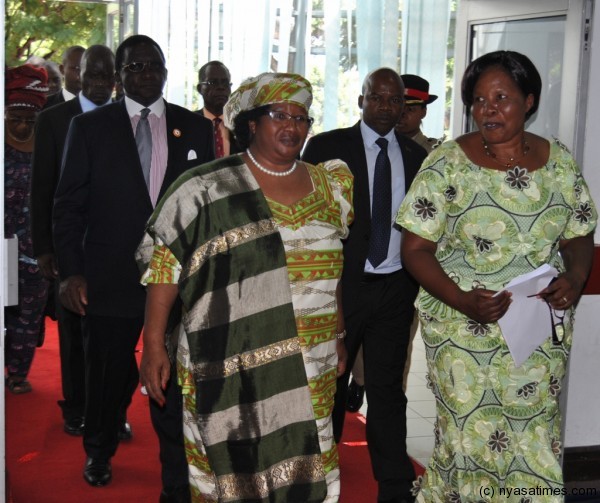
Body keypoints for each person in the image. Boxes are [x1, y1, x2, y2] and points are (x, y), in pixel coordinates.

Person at [137, 72, 352, 502]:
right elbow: (165, 267)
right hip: (230, 362)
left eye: (301, 117)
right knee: (232, 467)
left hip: (314, 359)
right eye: (279, 115)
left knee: (309, 458)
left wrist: (340, 334)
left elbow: (335, 273)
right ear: (251, 123)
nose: (292, 126)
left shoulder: (331, 186)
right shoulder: (204, 188)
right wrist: (154, 343)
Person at [396, 50, 597, 502]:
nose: (488, 109)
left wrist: (578, 275)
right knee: (470, 439)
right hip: (465, 328)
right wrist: (464, 299)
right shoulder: (446, 164)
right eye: (479, 99)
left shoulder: (559, 162)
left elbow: (579, 232)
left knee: (533, 437)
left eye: (502, 98)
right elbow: (415, 250)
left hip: (537, 332)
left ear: (529, 101)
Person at [52, 34, 215, 490]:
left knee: (176, 383)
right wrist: (71, 271)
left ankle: (174, 477)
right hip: (108, 279)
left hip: (178, 282)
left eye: (153, 65)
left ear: (166, 70)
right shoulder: (90, 128)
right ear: (120, 77)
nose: (146, 74)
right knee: (107, 373)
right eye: (134, 67)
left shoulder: (194, 128)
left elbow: (206, 207)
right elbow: (68, 206)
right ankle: (99, 450)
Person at [302, 67, 428, 503]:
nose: (386, 107)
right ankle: (322, 468)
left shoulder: (417, 159)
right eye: (377, 98)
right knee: (330, 383)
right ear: (361, 100)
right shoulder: (325, 148)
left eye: (394, 101)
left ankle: (394, 484)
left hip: (395, 287)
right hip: (341, 287)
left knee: (387, 388)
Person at [31, 45, 116, 437]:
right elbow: (42, 188)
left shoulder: (126, 120)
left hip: (116, 247)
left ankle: (111, 410)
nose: (100, 84)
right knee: (73, 334)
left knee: (113, 335)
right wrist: (45, 248)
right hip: (70, 246)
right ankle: (77, 406)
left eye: (106, 77)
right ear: (77, 74)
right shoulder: (53, 121)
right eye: (92, 75)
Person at [4, 64, 49, 394]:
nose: (21, 126)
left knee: (28, 314)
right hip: (2, 247)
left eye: (28, 121)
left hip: (35, 250)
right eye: (14, 119)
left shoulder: (50, 147)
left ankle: (18, 373)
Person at [196, 60, 240, 157]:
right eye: (213, 82)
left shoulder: (242, 124)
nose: (221, 87)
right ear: (200, 89)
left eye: (225, 83)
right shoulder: (189, 123)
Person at [395, 74, 442, 154]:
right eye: (399, 108)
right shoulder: (378, 146)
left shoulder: (436, 152)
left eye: (410, 109)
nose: (402, 114)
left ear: (424, 112)